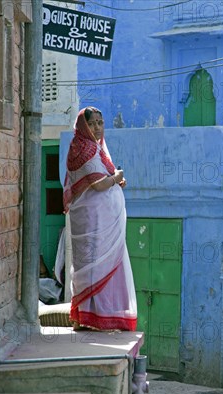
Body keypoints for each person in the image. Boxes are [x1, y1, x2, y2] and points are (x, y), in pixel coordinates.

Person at [63, 106, 137, 331]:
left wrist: (113, 180)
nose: (97, 128)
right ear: (83, 126)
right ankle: (88, 317)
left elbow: (100, 179)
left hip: (99, 218)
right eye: (92, 123)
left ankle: (93, 316)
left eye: (100, 122)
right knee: (92, 265)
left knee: (96, 264)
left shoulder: (94, 148)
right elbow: (98, 184)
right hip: (93, 219)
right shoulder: (83, 148)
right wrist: (116, 178)